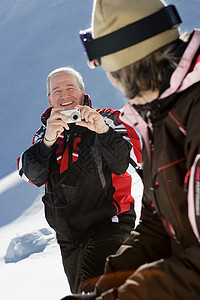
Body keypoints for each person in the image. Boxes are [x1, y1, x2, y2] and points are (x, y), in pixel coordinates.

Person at [61, 0, 200, 299]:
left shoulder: (191, 115)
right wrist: (104, 285)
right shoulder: (160, 113)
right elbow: (156, 223)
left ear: (122, 71)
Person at [17, 66, 143, 294]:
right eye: (57, 90)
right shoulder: (44, 132)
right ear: (49, 98)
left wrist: (103, 130)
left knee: (94, 293)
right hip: (68, 239)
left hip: (109, 224)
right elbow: (32, 176)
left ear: (83, 91)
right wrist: (46, 142)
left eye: (70, 88)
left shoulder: (109, 119)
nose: (64, 95)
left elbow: (124, 161)